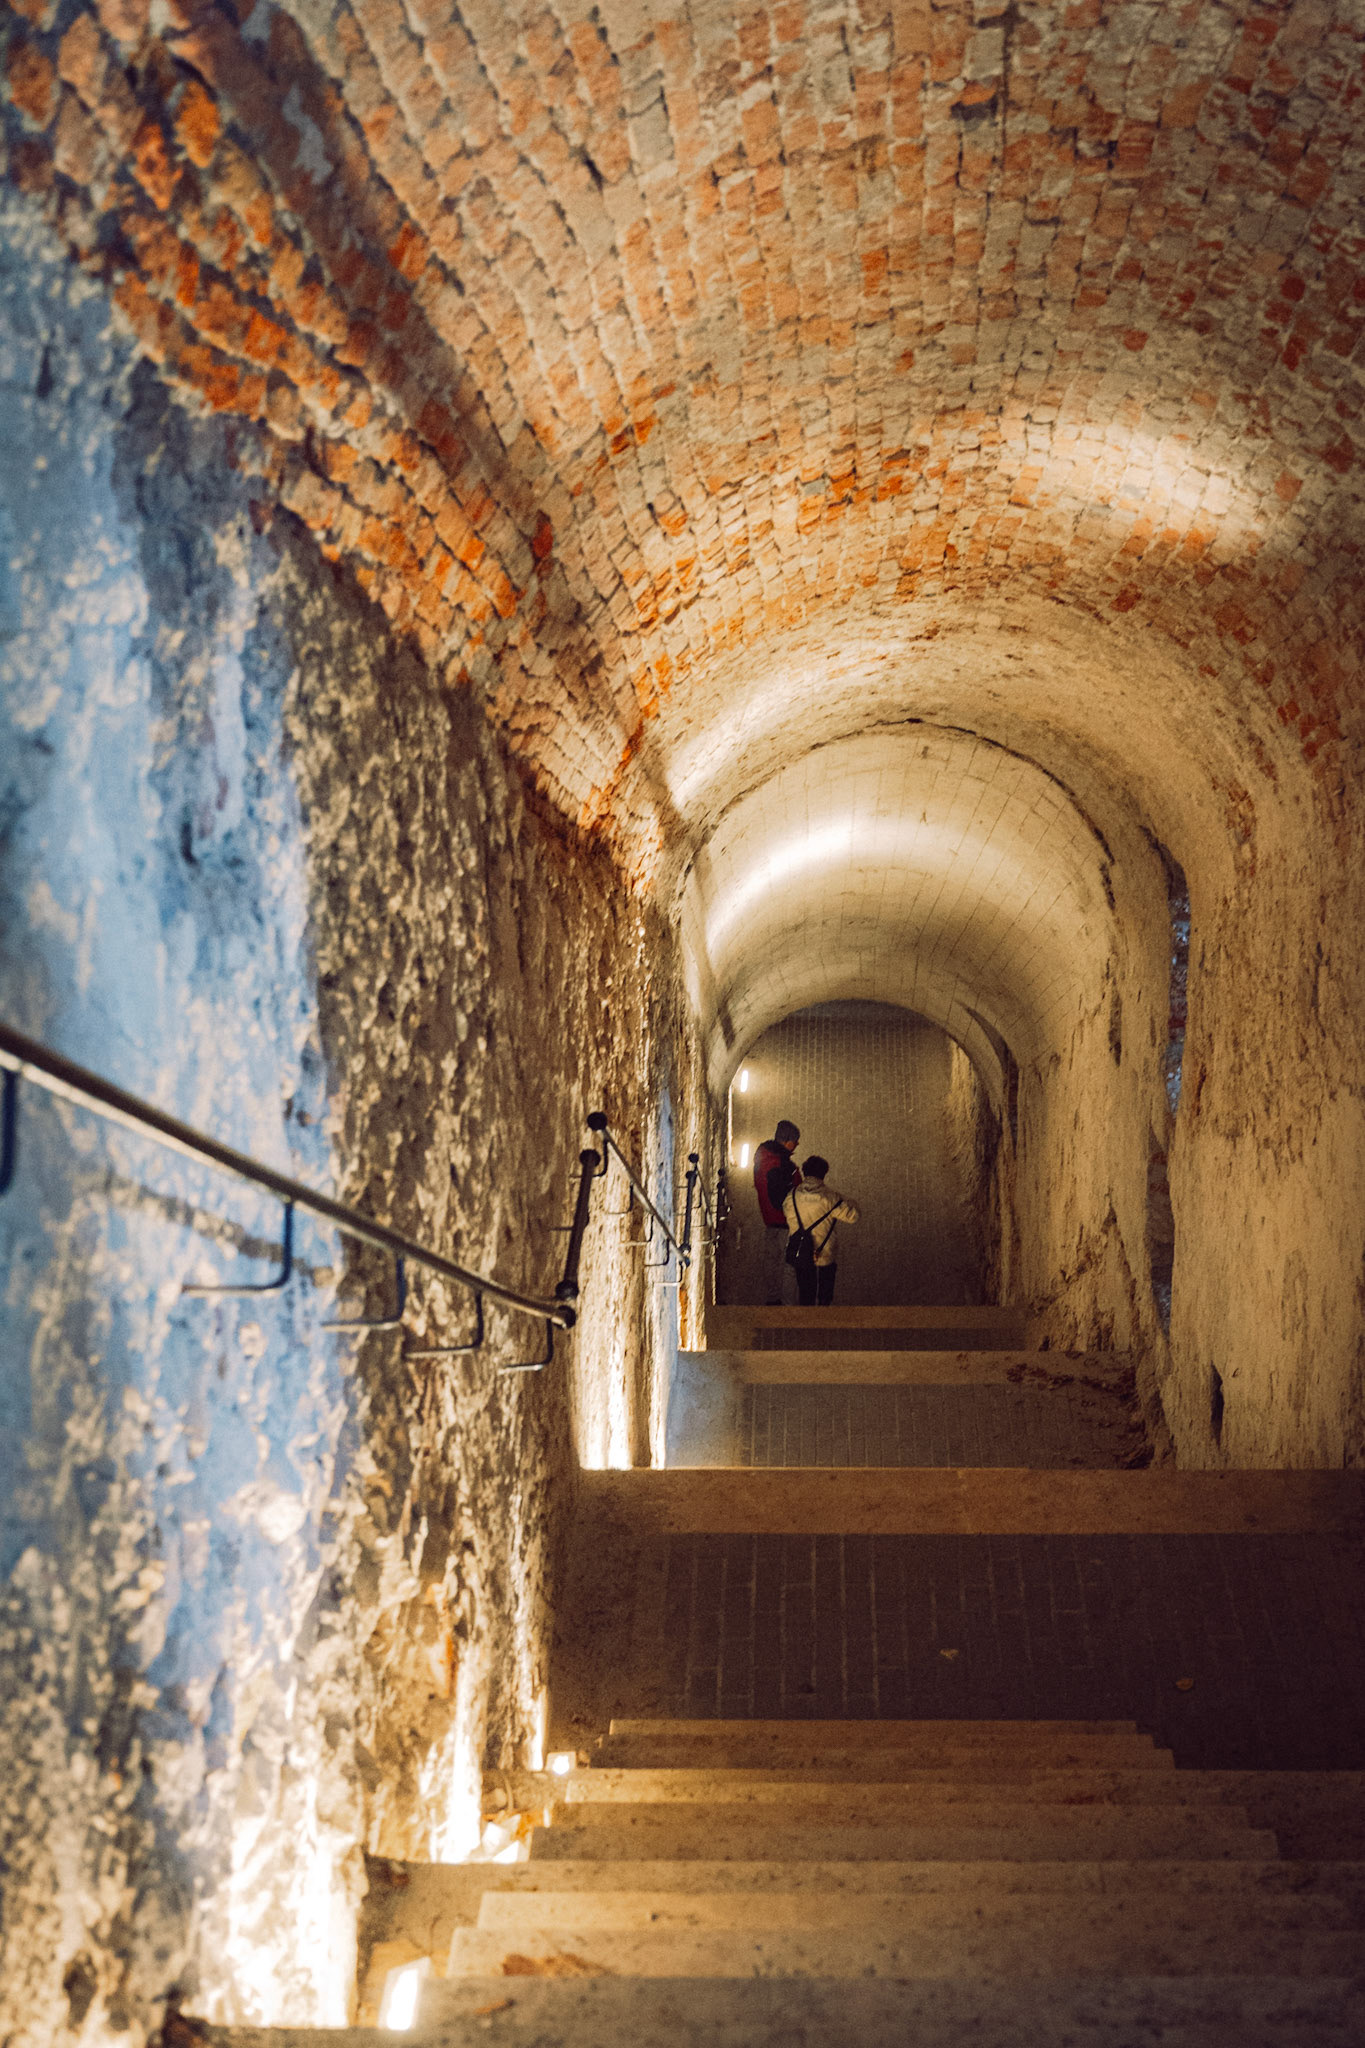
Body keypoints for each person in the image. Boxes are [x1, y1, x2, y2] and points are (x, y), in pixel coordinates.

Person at [783, 1155, 859, 1307]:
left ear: (804, 1172)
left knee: (805, 1295)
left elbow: (786, 1213)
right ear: (824, 1173)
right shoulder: (830, 1197)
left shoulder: (791, 1196)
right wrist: (845, 1198)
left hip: (801, 1253)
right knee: (825, 1296)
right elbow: (853, 1216)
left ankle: (807, 1320)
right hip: (825, 1254)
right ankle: (823, 1318)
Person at [752, 1119, 801, 1305]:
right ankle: (788, 1307)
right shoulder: (783, 1165)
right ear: (787, 1141)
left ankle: (772, 1300)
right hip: (785, 1222)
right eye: (795, 1140)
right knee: (789, 1265)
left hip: (769, 1220)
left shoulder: (763, 1157)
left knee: (771, 1263)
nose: (797, 1144)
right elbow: (785, 1197)